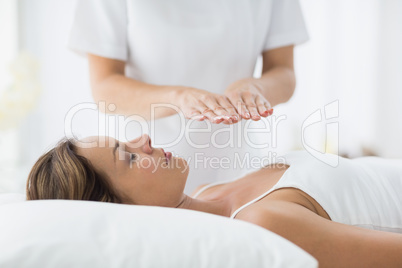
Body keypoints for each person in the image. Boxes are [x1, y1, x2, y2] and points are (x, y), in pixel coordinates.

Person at [27, 134, 402, 267]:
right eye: (128, 156)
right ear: (121, 210)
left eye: (124, 140)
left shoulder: (208, 195)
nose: (144, 139)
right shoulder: (263, 228)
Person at [68, 0, 309, 194]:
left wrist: (255, 90)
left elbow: (284, 72)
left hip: (240, 165)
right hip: (145, 185)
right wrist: (177, 98)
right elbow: (105, 86)